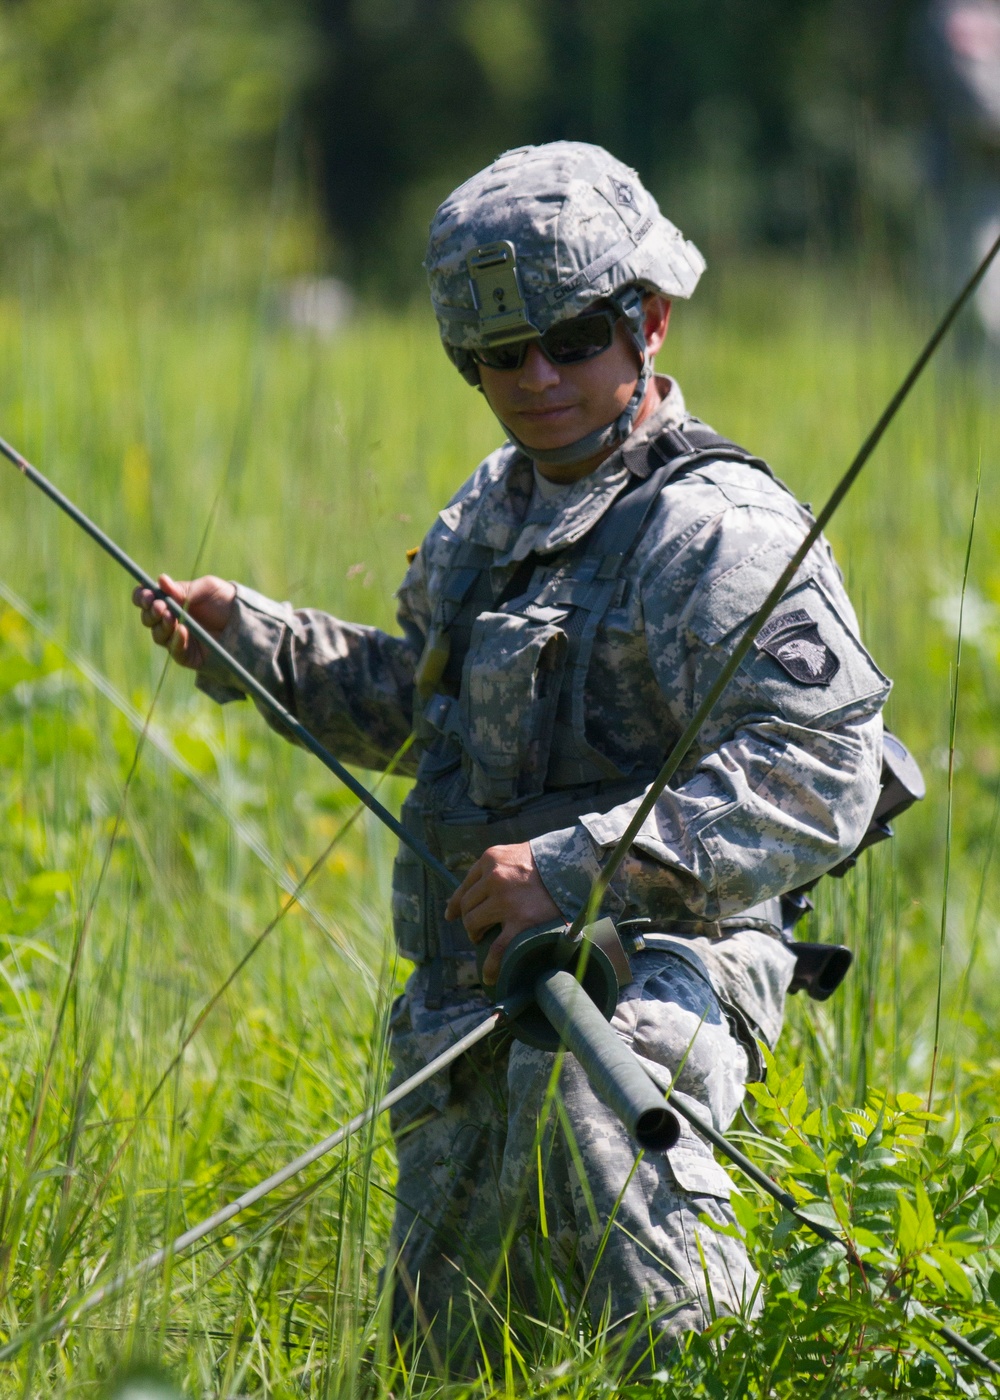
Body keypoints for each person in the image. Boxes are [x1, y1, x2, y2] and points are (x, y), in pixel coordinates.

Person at [132, 142, 889, 1370]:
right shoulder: (492, 509)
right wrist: (246, 639)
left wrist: (583, 864)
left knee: (610, 1157)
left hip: (661, 965)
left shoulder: (722, 531)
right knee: (453, 1355)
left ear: (645, 320)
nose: (536, 375)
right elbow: (413, 711)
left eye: (574, 335)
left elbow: (822, 775)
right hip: (471, 988)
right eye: (499, 353)